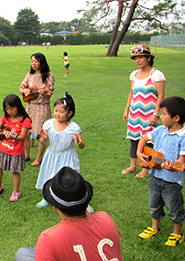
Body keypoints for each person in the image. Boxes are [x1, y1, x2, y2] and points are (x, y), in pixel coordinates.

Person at [15, 167, 123, 261]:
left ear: (55, 207)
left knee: (23, 254)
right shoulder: (105, 218)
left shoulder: (49, 239)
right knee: (23, 253)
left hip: (54, 245)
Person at [137, 96, 185, 247]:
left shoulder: (183, 137)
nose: (160, 117)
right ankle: (154, 227)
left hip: (172, 181)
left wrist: (171, 166)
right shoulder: (160, 130)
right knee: (154, 204)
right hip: (155, 176)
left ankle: (177, 233)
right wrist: (139, 153)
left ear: (176, 118)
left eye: (164, 114)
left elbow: (181, 163)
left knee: (174, 208)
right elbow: (143, 139)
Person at [35, 93, 85, 208]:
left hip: (67, 156)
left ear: (69, 113)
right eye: (56, 110)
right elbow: (42, 142)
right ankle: (47, 198)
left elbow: (82, 145)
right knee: (50, 176)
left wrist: (78, 141)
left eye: (61, 111)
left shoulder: (74, 127)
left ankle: (70, 199)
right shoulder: (48, 124)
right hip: (52, 155)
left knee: (68, 179)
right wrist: (44, 138)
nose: (57, 114)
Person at [122, 44, 165, 178]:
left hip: (150, 114)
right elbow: (131, 93)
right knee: (134, 140)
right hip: (135, 113)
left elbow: (161, 96)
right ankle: (133, 165)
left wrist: (156, 114)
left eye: (140, 57)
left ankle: (146, 169)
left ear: (148, 58)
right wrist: (126, 109)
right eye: (135, 58)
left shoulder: (156, 75)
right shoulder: (134, 75)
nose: (138, 60)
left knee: (148, 140)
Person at [0, 94, 31, 202]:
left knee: (14, 171)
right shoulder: (6, 117)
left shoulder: (25, 120)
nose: (9, 111)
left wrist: (12, 135)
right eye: (7, 109)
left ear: (18, 106)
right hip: (3, 148)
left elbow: (23, 136)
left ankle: (16, 191)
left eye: (12, 108)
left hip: (16, 151)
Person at [19, 53, 55, 165]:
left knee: (41, 133)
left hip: (42, 107)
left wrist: (44, 93)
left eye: (36, 61)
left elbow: (49, 94)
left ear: (42, 62)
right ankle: (26, 154)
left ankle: (39, 158)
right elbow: (21, 88)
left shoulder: (49, 76)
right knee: (26, 132)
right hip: (30, 107)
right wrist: (24, 91)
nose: (33, 64)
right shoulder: (30, 75)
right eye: (32, 61)